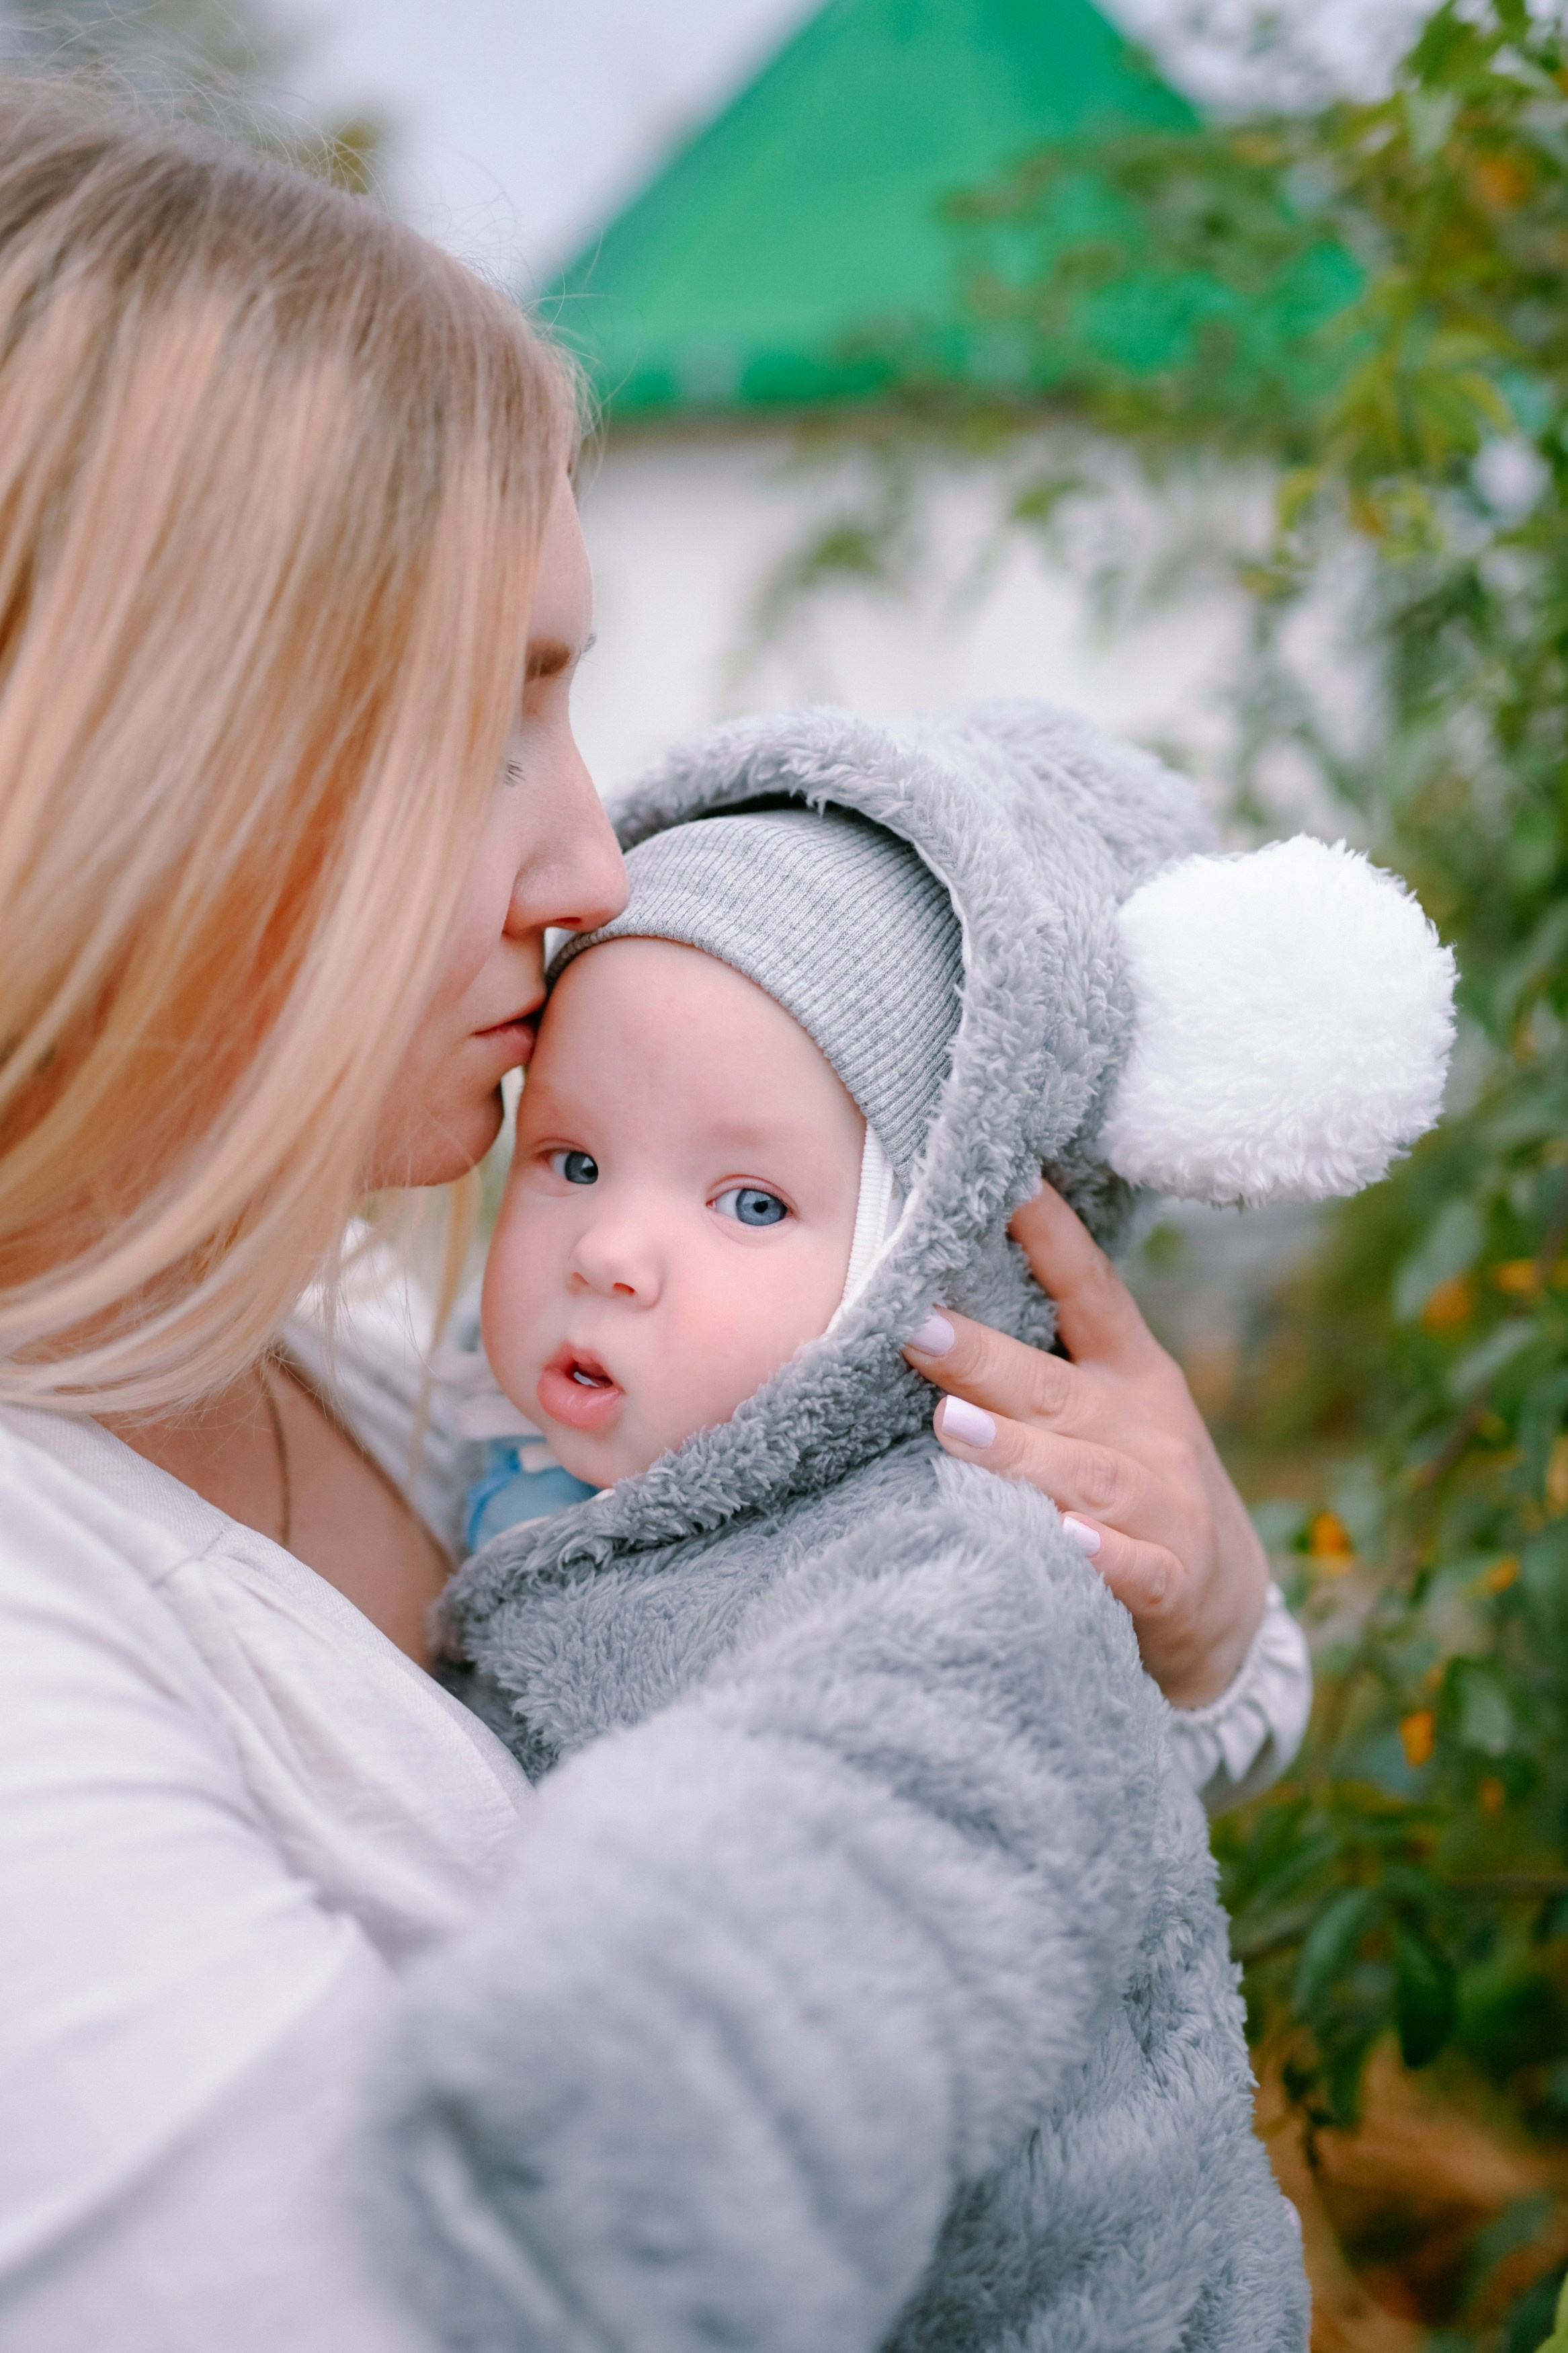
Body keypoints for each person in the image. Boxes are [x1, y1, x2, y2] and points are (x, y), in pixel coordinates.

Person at [0, 77, 1312, 2353]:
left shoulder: (326, 1316)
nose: (595, 868)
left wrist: (1169, 1628)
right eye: (491, 719)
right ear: (149, 763)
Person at [440, 760, 1360, 2348]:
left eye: (747, 1199)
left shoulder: (932, 1541)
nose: (609, 1250)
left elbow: (891, 1788)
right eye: (573, 1159)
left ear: (918, 1269)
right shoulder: (467, 1405)